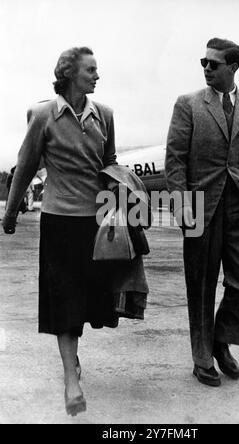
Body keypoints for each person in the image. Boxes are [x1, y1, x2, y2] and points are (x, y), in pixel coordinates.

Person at [2, 46, 149, 416]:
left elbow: (111, 162)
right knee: (63, 300)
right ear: (69, 74)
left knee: (91, 302)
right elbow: (25, 165)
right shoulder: (43, 116)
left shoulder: (106, 116)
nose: (97, 76)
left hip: (98, 225)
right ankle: (71, 379)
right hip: (58, 223)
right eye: (91, 70)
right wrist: (11, 211)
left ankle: (73, 363)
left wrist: (124, 197)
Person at [165, 38, 239, 387]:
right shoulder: (188, 105)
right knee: (201, 284)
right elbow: (175, 161)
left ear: (233, 66)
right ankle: (202, 358)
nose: (206, 68)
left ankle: (222, 340)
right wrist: (182, 206)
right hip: (199, 207)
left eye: (214, 64)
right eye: (203, 63)